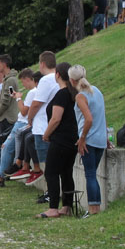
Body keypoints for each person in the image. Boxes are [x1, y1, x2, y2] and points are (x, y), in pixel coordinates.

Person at [38, 63, 82, 219]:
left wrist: (46, 134)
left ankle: (53, 208)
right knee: (66, 172)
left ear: (57, 75)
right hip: (72, 139)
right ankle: (67, 206)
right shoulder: (74, 93)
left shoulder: (62, 94)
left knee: (51, 172)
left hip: (60, 140)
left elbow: (56, 118)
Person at [69, 65, 107, 216]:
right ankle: (95, 207)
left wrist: (82, 138)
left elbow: (89, 119)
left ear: (72, 80)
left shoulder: (80, 96)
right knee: (93, 174)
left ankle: (93, 208)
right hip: (100, 139)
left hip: (89, 140)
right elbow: (101, 115)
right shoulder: (97, 91)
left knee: (90, 174)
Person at [0, 68, 37, 186]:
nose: (23, 85)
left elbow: (23, 111)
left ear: (27, 79)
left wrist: (18, 98)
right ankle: (5, 173)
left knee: (6, 147)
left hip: (22, 123)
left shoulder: (32, 92)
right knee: (8, 146)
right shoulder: (34, 92)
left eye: (23, 82)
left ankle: (2, 175)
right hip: (22, 123)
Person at [25, 50, 59, 184]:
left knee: (46, 163)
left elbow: (36, 104)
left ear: (43, 64)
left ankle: (49, 190)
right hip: (54, 125)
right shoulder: (59, 77)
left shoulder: (46, 80)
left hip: (42, 126)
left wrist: (30, 118)